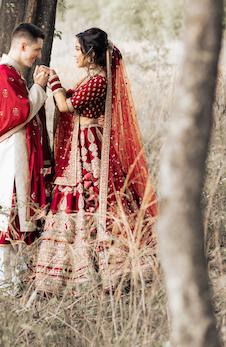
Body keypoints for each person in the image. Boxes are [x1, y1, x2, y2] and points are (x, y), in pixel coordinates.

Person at [35, 27, 157, 294]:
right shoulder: (90, 80)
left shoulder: (99, 81)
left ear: (91, 54)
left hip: (89, 147)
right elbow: (69, 102)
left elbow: (67, 106)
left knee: (94, 198)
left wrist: (53, 81)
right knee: (81, 200)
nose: (75, 54)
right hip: (82, 143)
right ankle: (74, 269)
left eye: (79, 50)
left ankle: (108, 268)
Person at [0, 22, 51, 292]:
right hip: (11, 158)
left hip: (16, 155)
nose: (38, 56)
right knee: (7, 217)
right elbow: (19, 113)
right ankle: (4, 289)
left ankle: (14, 284)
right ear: (23, 46)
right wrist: (38, 88)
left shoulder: (11, 73)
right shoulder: (3, 75)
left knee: (15, 221)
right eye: (36, 50)